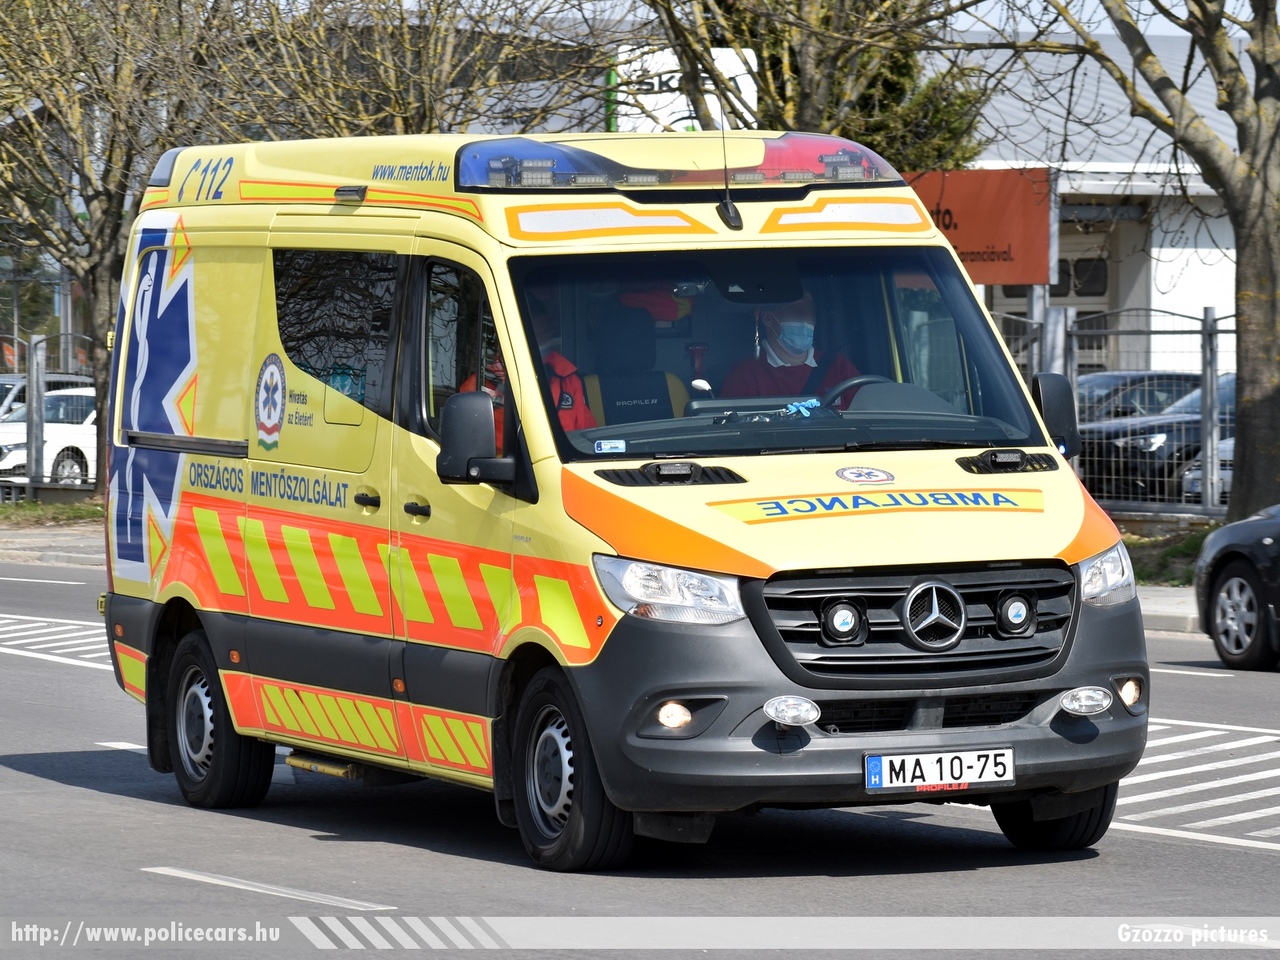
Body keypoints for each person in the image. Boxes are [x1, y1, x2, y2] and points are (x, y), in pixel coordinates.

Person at [721, 292, 860, 401]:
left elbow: (869, 413)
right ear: (768, 318)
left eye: (809, 308)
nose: (805, 315)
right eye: (794, 308)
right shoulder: (744, 375)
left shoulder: (839, 367)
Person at [528, 295, 596, 433]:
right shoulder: (488, 382)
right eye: (537, 335)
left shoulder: (568, 380)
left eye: (546, 333)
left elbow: (587, 438)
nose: (543, 340)